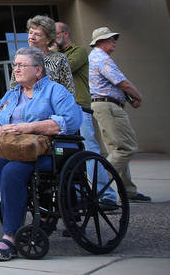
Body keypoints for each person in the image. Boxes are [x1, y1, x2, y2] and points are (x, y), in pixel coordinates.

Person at [0, 46, 81, 261]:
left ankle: (10, 236)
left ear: (38, 70)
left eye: (21, 65)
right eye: (15, 65)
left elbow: (72, 120)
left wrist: (29, 127)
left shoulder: (55, 91)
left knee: (12, 173)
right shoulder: (12, 94)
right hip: (13, 149)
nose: (16, 69)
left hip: (45, 152)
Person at [55, 21, 117, 205]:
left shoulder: (78, 52)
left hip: (79, 107)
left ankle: (106, 196)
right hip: (61, 112)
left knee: (89, 150)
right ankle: (79, 195)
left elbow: (62, 70)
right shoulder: (53, 56)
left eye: (55, 34)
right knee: (67, 154)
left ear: (65, 34)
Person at [89, 27, 151, 202]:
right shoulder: (101, 58)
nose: (114, 41)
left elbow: (114, 85)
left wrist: (130, 99)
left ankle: (129, 192)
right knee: (126, 148)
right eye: (110, 38)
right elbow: (122, 83)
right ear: (99, 42)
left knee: (117, 150)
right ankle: (98, 186)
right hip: (109, 107)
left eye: (114, 38)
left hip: (105, 105)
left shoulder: (96, 57)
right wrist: (137, 96)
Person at [9, 15, 74, 96]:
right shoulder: (20, 58)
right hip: (27, 107)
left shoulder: (59, 59)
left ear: (48, 40)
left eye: (37, 34)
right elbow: (13, 89)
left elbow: (69, 90)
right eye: (30, 32)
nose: (31, 37)